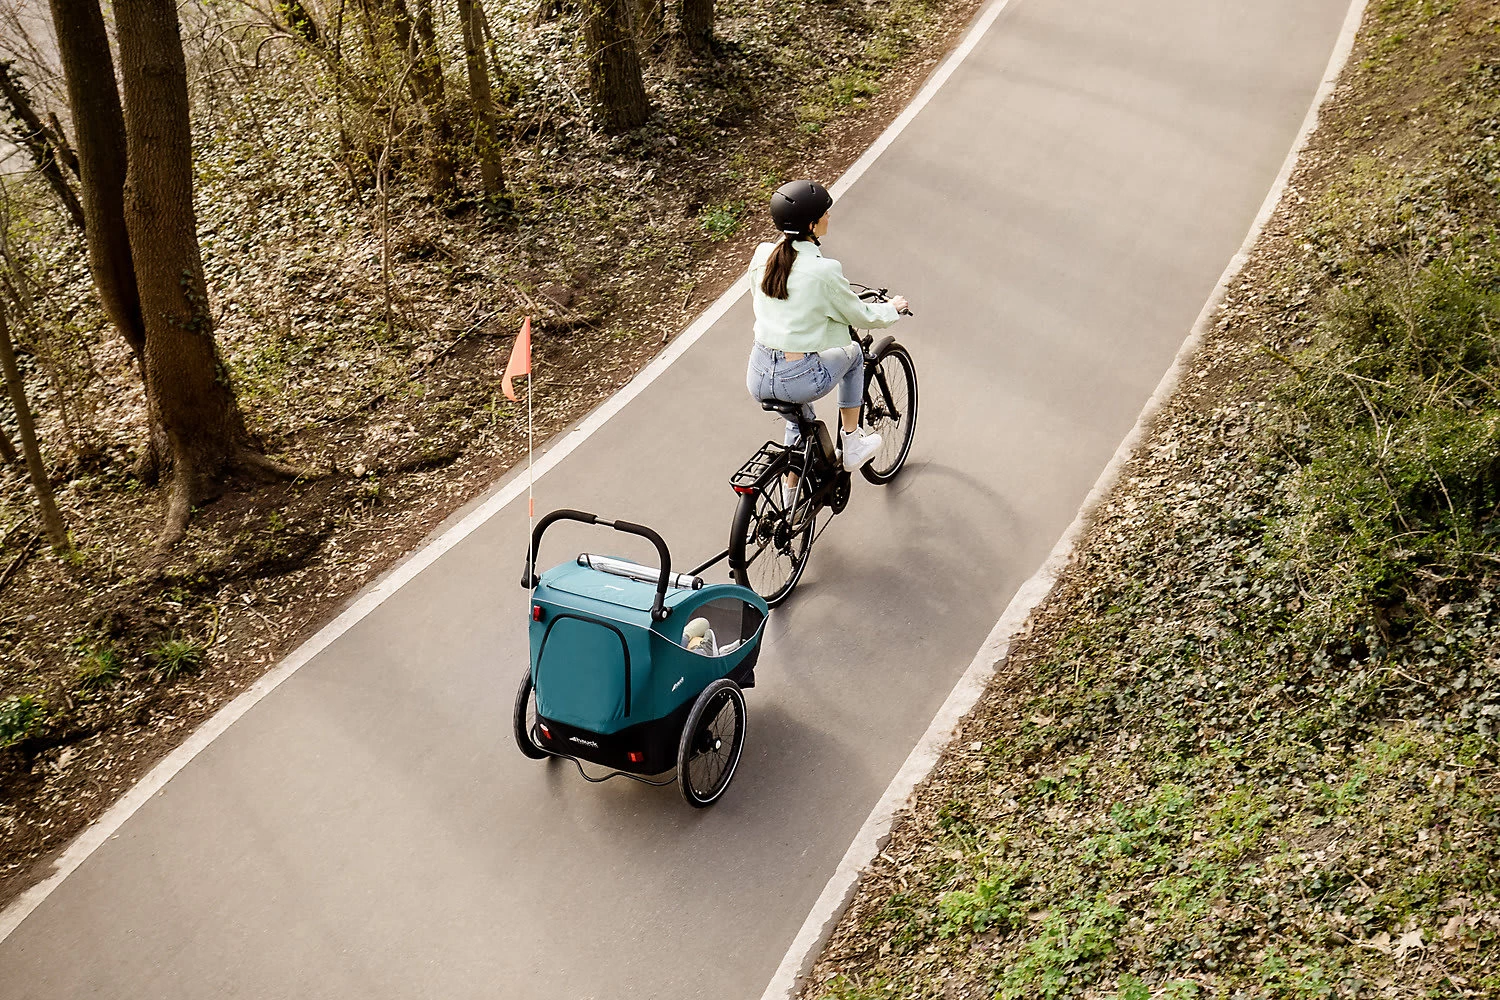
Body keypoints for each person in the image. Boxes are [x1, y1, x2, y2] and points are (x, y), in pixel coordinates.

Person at [745, 180, 908, 497]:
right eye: (824, 213)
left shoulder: (764, 254)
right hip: (797, 377)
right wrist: (892, 309)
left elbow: (767, 300)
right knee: (854, 354)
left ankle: (790, 502)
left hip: (758, 374)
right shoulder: (824, 270)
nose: (829, 216)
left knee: (798, 423)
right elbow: (859, 315)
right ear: (811, 225)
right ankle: (853, 443)